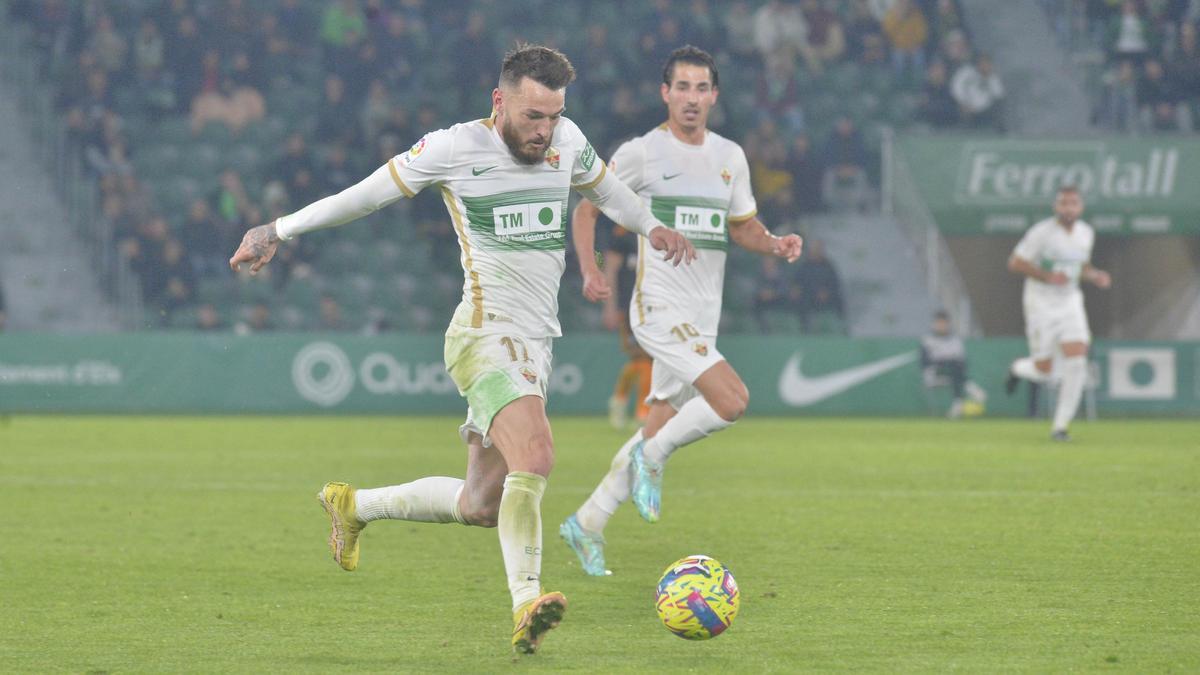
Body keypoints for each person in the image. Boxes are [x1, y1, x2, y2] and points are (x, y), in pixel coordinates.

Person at [228, 44, 694, 654]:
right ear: (499, 101)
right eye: (532, 116)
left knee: (481, 504)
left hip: (536, 341)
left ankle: (353, 505)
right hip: (484, 333)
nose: (544, 130)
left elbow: (608, 192)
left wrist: (651, 225)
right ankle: (527, 602)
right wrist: (277, 229)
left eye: (553, 116)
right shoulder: (451, 148)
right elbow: (366, 195)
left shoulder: (567, 140)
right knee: (538, 453)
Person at [560, 46, 803, 577]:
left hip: (702, 313)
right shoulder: (643, 153)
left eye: (701, 88)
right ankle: (653, 460)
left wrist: (774, 243)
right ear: (664, 93)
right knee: (732, 400)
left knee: (659, 423)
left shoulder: (729, 157)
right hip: (658, 306)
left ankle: (588, 520)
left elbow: (741, 228)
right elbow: (586, 206)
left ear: (714, 95)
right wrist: (591, 268)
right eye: (682, 87)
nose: (691, 98)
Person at [1004, 185, 1111, 441]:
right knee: (1044, 370)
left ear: (1080, 207)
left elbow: (1080, 266)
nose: (1068, 208)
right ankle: (1018, 368)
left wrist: (1094, 275)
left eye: (1073, 203)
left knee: (1077, 362)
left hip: (1070, 302)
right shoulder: (1042, 233)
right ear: (1056, 207)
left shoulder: (1086, 233)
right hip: (1040, 303)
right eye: (1064, 203)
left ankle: (1060, 427)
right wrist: (1048, 276)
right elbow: (1015, 263)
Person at [594, 217, 654, 429]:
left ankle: (620, 400)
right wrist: (609, 306)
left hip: (656, 306)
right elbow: (609, 268)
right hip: (629, 307)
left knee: (644, 361)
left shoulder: (659, 229)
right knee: (644, 359)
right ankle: (643, 412)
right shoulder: (623, 232)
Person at [920, 310, 986, 418]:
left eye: (944, 323)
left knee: (956, 368)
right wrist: (944, 361)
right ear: (934, 324)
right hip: (934, 373)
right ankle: (971, 391)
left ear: (948, 324)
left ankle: (958, 404)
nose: (941, 325)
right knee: (953, 367)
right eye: (939, 323)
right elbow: (925, 362)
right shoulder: (927, 340)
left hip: (954, 372)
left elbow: (963, 361)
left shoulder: (955, 340)